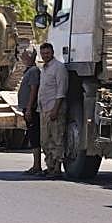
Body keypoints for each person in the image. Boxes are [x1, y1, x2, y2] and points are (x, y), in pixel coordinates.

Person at [36, 42, 67, 179]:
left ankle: (57, 169)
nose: (45, 56)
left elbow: (61, 90)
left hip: (54, 109)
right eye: (43, 54)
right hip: (44, 109)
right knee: (45, 140)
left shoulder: (58, 68)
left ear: (52, 53)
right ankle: (49, 167)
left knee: (56, 139)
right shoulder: (45, 68)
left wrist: (56, 109)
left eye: (47, 53)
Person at [17, 47, 43, 175]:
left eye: (24, 54)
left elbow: (34, 90)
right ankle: (36, 165)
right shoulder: (30, 70)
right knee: (32, 135)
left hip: (31, 108)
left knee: (34, 135)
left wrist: (28, 108)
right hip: (28, 107)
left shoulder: (33, 71)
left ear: (29, 56)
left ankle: (37, 165)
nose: (21, 56)